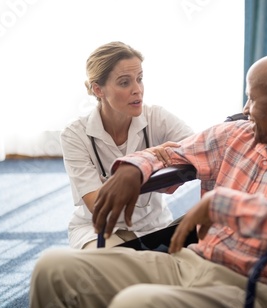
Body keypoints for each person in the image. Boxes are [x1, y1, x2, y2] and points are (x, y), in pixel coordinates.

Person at [26, 51, 267, 308]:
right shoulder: (237, 136)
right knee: (54, 269)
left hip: (255, 290)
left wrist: (226, 205)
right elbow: (172, 150)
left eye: (252, 97)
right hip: (191, 262)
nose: (246, 109)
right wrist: (133, 166)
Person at [61, 41, 194, 249]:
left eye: (139, 79)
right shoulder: (75, 135)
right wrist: (147, 160)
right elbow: (99, 206)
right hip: (98, 229)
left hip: (153, 225)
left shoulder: (156, 117)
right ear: (98, 89)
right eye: (124, 83)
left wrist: (160, 162)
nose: (137, 90)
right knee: (111, 263)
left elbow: (199, 148)